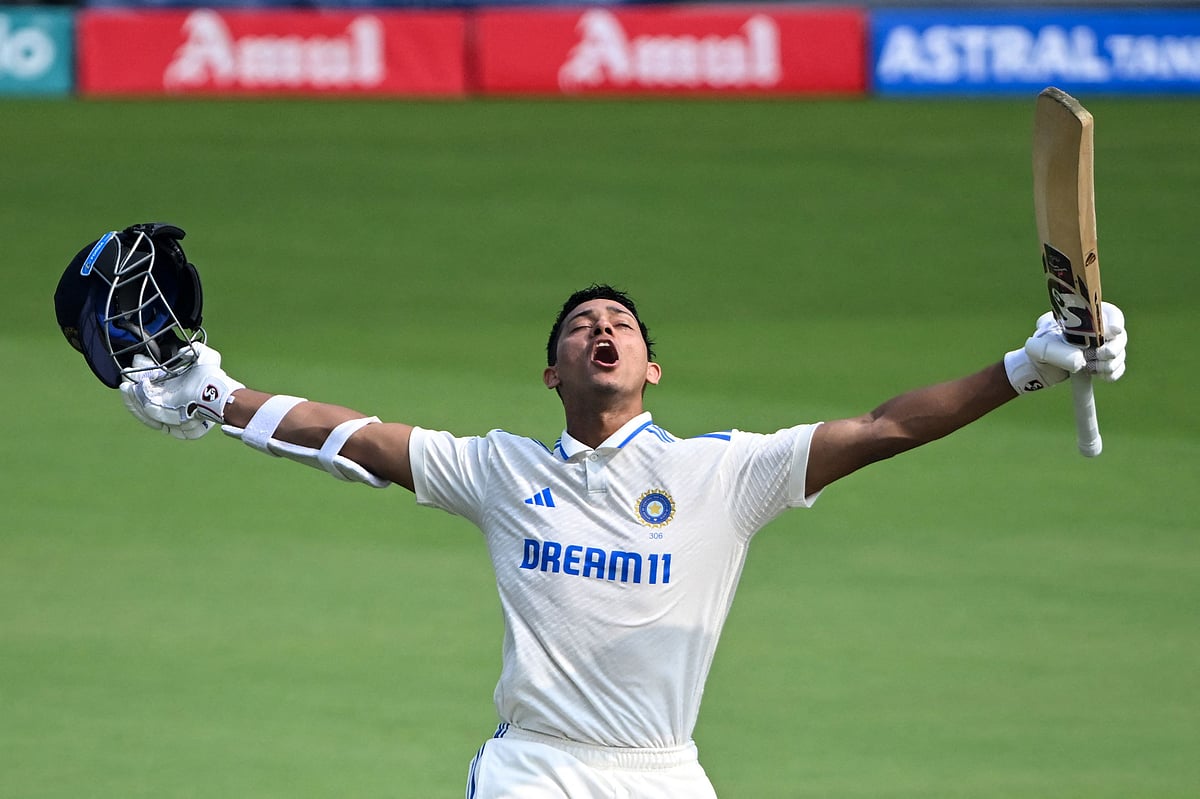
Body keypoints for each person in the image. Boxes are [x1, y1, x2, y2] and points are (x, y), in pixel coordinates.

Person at [119, 283, 1127, 798]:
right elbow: (364, 441)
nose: (601, 329)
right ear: (554, 373)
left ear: (651, 368)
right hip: (538, 768)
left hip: (663, 769)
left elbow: (884, 427)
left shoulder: (723, 474)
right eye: (578, 326)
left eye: (621, 324)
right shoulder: (505, 469)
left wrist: (1028, 366)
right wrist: (219, 395)